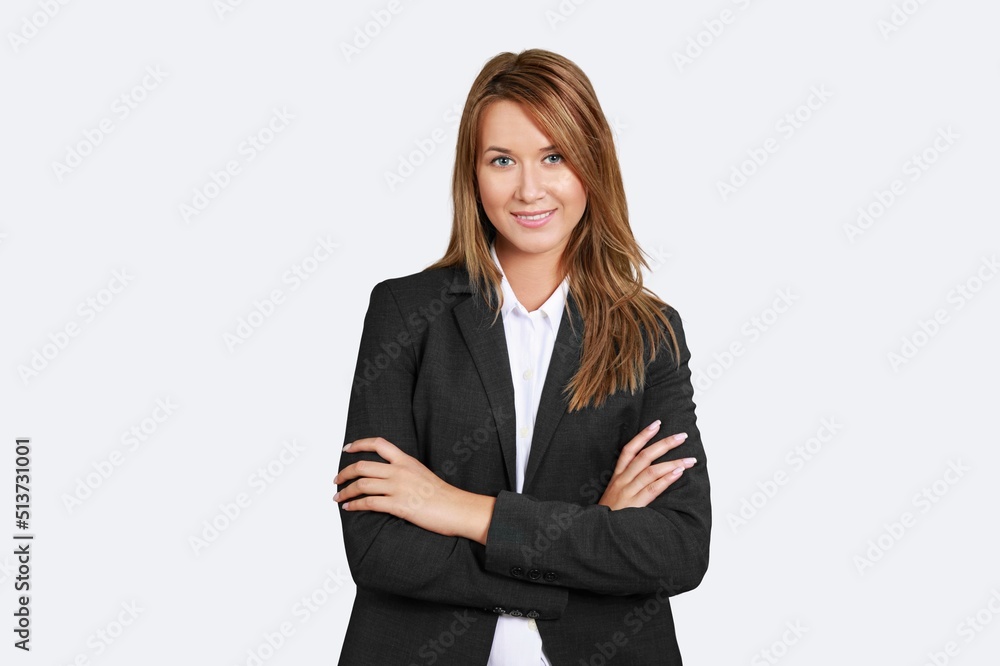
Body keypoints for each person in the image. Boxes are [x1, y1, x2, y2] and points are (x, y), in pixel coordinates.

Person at [335, 48, 711, 665]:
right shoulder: (405, 313)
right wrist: (591, 538)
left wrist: (458, 509)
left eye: (554, 156)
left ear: (592, 163)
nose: (529, 189)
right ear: (473, 172)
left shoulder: (649, 333)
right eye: (502, 160)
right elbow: (377, 546)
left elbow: (677, 548)